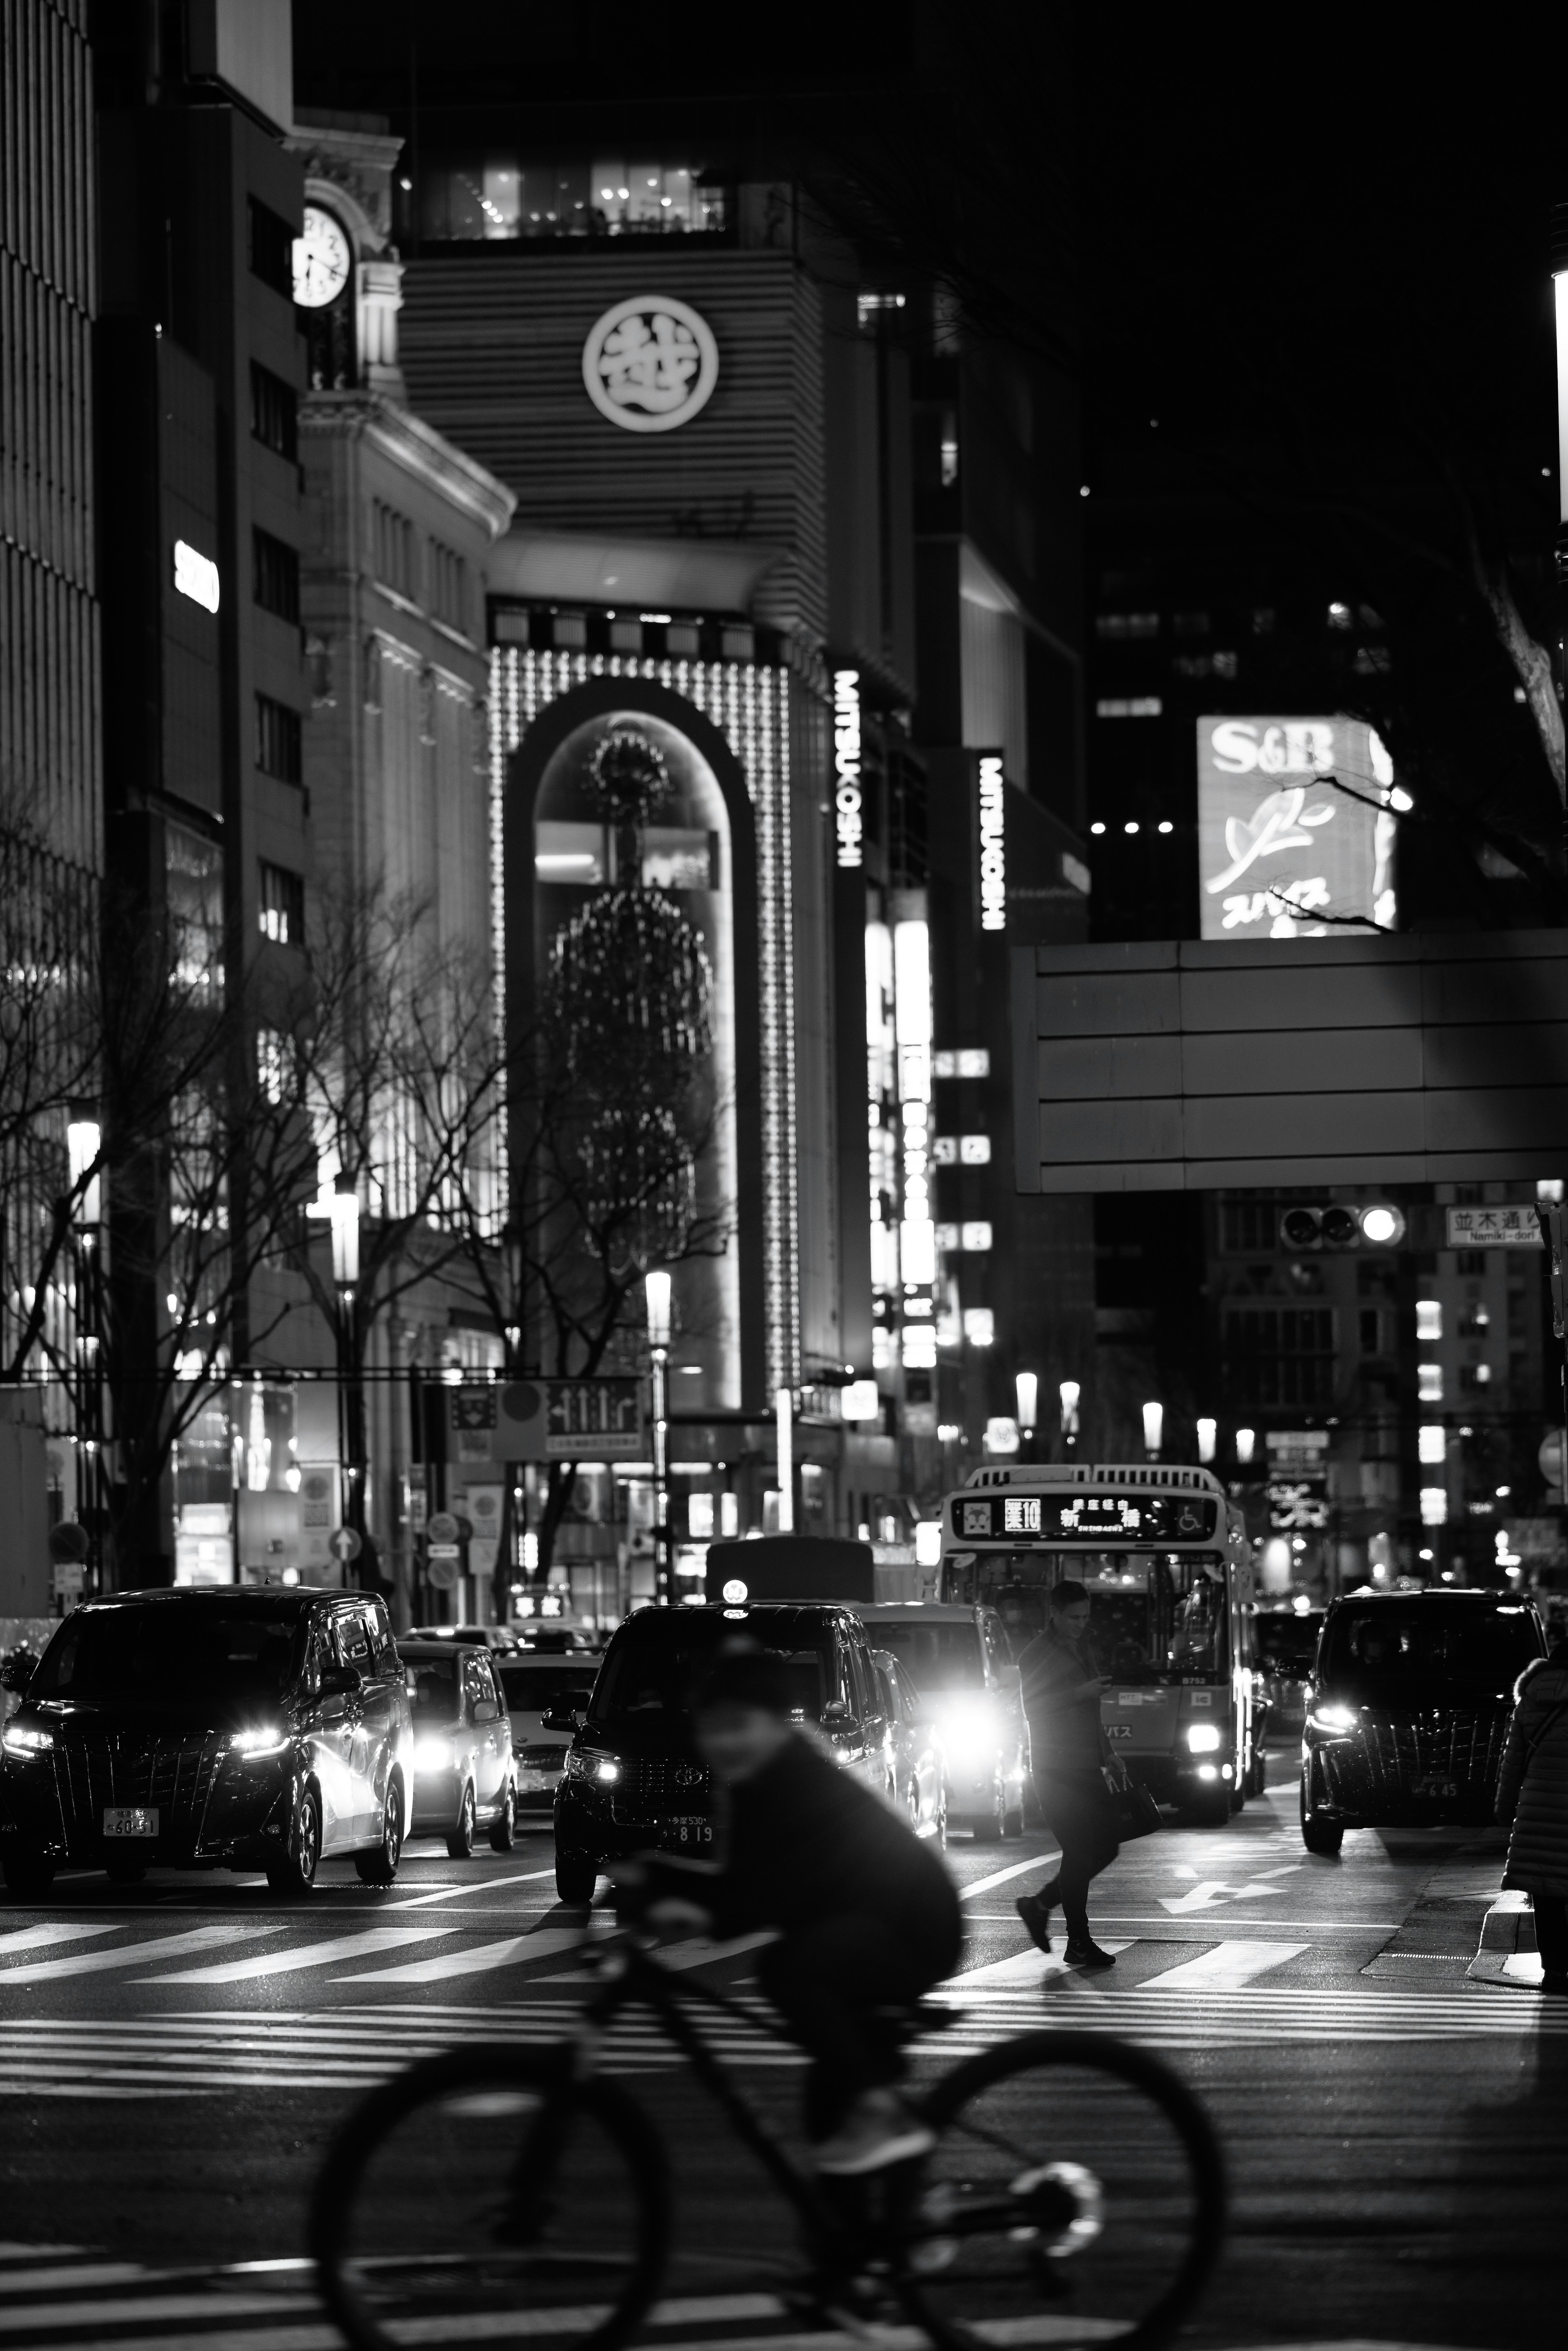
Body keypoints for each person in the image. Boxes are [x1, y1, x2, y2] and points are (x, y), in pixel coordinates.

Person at [619, 1646, 963, 2175]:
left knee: (789, 1970)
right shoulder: (757, 1780)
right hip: (868, 1923)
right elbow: (745, 1884)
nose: (723, 1741)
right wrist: (659, 1878)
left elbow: (767, 1896)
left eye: (739, 1724)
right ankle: (883, 2228)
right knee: (830, 2097)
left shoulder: (796, 1781)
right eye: (711, 1727)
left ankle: (883, 2112)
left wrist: (680, 1898)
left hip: (914, 1928)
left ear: (778, 1724)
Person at [1013, 1580, 1120, 1969]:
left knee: (1107, 1845)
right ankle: (1079, 1941)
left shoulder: (1082, 1646)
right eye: (1074, 1616)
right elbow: (1033, 1708)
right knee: (1079, 1852)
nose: (1081, 1623)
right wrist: (1081, 1691)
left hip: (1086, 1765)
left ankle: (1039, 1905)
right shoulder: (1035, 1654)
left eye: (1086, 1616)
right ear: (1054, 1614)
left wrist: (1108, 1753)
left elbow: (1091, 1711)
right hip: (1055, 1768)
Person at [1496, 1634, 1568, 1997]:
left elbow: (1513, 1763)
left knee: (1547, 1896)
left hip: (1540, 1808)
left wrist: (1504, 1807)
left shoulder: (1531, 1698)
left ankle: (1555, 1970)